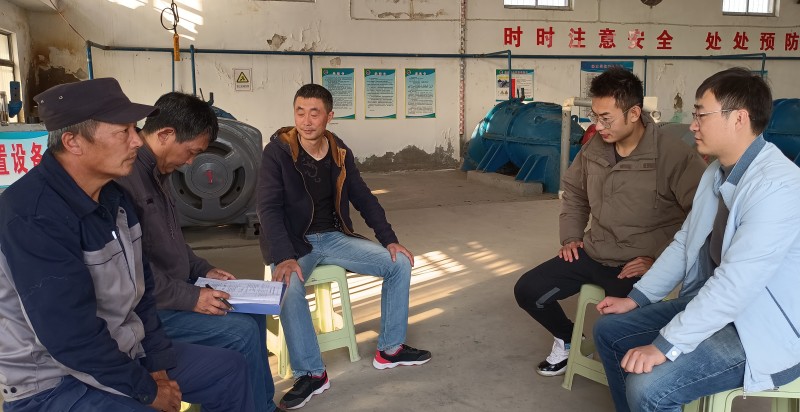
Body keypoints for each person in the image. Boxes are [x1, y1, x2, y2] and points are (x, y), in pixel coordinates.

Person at [0, 78, 254, 412]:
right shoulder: (32, 216)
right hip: (54, 381)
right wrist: (148, 391)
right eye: (124, 131)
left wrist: (158, 367)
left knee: (229, 371)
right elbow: (71, 338)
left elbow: (142, 294)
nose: (137, 140)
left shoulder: (114, 198)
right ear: (73, 142)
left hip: (125, 352)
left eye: (135, 129)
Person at [593, 67, 800, 412]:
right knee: (609, 331)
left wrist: (665, 345)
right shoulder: (716, 172)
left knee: (647, 388)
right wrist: (638, 297)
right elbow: (685, 240)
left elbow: (736, 283)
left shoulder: (778, 186)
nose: (693, 125)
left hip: (759, 326)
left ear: (739, 119)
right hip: (717, 306)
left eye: (701, 114)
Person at [513, 66, 706, 377]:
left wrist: (658, 259)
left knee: (618, 333)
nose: (598, 126)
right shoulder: (595, 148)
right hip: (595, 250)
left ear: (634, 113)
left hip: (637, 262)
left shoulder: (674, 155)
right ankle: (567, 339)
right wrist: (571, 236)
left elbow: (699, 217)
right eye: (595, 116)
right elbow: (575, 193)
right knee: (528, 290)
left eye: (606, 119)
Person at [258, 83, 431, 410]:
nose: (306, 121)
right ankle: (312, 373)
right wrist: (283, 256)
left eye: (314, 113)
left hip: (334, 237)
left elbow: (363, 197)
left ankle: (390, 349)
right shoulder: (277, 152)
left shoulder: (339, 152)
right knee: (288, 285)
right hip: (294, 242)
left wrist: (389, 240)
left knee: (399, 264)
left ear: (329, 116)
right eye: (300, 112)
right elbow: (267, 208)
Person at [115, 91, 282, 412]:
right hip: (151, 308)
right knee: (241, 333)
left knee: (253, 316)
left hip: (178, 289)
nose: (192, 162)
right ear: (165, 134)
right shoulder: (127, 180)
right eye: (191, 152)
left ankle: (262, 405)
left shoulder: (160, 173)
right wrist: (192, 297)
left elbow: (172, 240)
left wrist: (202, 269)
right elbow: (133, 273)